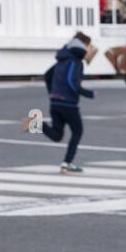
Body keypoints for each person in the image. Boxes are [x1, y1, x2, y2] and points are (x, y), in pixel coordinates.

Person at [28, 31, 96, 173]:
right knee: (78, 131)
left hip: (55, 102)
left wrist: (53, 94)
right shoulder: (75, 62)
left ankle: (36, 123)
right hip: (68, 104)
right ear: (83, 46)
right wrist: (87, 93)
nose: (91, 49)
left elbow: (47, 76)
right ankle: (66, 163)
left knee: (57, 135)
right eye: (89, 46)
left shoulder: (63, 59)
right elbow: (71, 82)